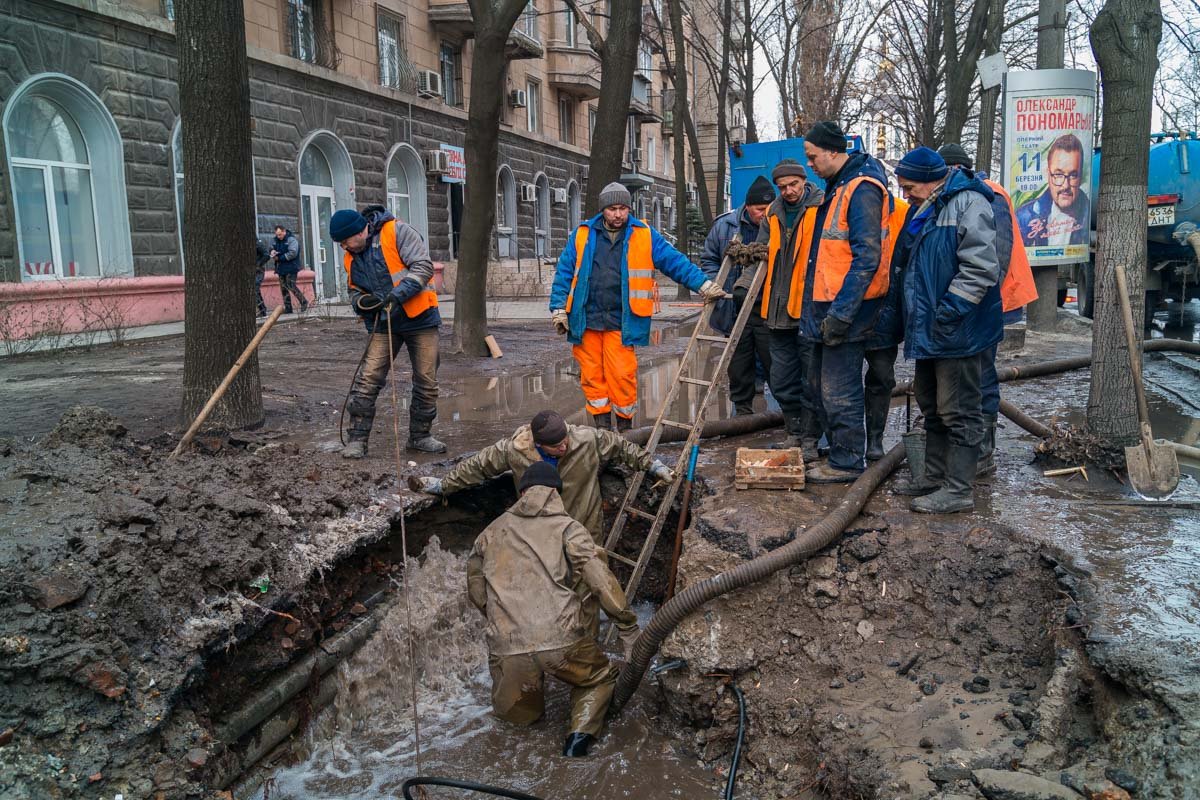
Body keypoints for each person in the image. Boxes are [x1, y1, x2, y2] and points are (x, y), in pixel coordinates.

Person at [412, 409, 673, 637]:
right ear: (538, 444)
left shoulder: (585, 440)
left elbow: (622, 447)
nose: (564, 447)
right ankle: (550, 644)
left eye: (565, 441)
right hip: (540, 536)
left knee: (589, 589)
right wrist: (443, 486)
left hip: (583, 528)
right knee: (546, 588)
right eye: (556, 446)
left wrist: (653, 466)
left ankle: (586, 643)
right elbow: (479, 466)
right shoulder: (515, 450)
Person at [467, 461, 639, 757]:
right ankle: (577, 741)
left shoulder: (489, 533)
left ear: (522, 493)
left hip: (507, 646)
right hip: (562, 640)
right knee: (598, 678)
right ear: (556, 493)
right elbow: (599, 580)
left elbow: (477, 591)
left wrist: (507, 621)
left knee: (518, 725)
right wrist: (627, 625)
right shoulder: (568, 528)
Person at [550, 182, 727, 431]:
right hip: (585, 318)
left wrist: (704, 285)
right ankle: (601, 430)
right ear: (603, 210)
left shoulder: (643, 234)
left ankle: (624, 431)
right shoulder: (583, 234)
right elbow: (565, 272)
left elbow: (674, 261)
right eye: (613, 209)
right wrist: (558, 308)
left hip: (622, 320)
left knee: (622, 375)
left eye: (623, 208)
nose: (619, 214)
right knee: (592, 377)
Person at [893, 147, 1002, 514]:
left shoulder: (968, 202)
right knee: (932, 405)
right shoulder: (926, 207)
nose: (905, 194)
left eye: (909, 186)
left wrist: (950, 311)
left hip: (958, 328)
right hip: (931, 328)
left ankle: (958, 490)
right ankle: (933, 477)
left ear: (928, 179)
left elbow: (981, 267)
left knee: (959, 409)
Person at [798, 121, 897, 483]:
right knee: (820, 384)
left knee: (839, 387)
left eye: (812, 157)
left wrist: (841, 313)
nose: (810, 164)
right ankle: (841, 451)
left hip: (846, 310)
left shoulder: (862, 189)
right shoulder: (839, 186)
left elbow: (867, 257)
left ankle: (846, 461)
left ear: (833, 152)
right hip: (828, 307)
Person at [938, 143, 1038, 475]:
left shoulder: (989, 194)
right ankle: (972, 447)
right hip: (984, 298)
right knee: (972, 373)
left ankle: (982, 453)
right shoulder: (971, 193)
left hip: (993, 299)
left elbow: (996, 252)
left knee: (980, 373)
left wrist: (973, 301)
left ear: (953, 169)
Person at [332, 205, 446, 458]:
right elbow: (354, 289)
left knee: (426, 381)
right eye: (340, 243)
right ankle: (357, 439)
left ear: (361, 231)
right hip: (383, 323)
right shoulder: (351, 254)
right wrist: (360, 303)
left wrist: (398, 295)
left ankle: (420, 436)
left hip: (420, 319)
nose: (344, 247)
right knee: (367, 379)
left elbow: (423, 267)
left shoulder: (397, 232)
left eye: (345, 241)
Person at [731, 162, 826, 450]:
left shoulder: (821, 206)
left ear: (803, 180)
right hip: (778, 311)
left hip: (810, 310)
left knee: (812, 381)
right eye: (783, 187)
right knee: (782, 380)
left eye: (793, 184)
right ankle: (793, 433)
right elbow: (761, 255)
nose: (789, 191)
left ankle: (811, 439)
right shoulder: (773, 213)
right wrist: (743, 286)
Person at [701, 176, 776, 415]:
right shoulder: (725, 227)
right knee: (738, 363)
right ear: (748, 206)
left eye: (768, 209)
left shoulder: (779, 224)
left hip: (766, 308)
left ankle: (784, 415)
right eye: (759, 209)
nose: (764, 214)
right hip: (734, 307)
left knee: (774, 362)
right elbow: (709, 259)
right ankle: (742, 413)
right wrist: (717, 287)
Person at [1014, 133, 1090, 248]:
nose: (1065, 185)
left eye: (1073, 175)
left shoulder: (1088, 213)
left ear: (1080, 177)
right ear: (1048, 174)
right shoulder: (1024, 217)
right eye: (1058, 175)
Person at [270, 225, 308, 313]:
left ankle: (304, 302)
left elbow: (293, 253)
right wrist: (271, 251)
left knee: (290, 285)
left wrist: (280, 258)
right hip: (281, 267)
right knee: (283, 287)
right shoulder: (275, 240)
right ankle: (288, 308)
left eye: (280, 234)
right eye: (277, 235)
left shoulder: (291, 240)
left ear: (284, 231)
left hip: (291, 267)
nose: (278, 237)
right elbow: (271, 247)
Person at [254, 237, 271, 318]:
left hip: (258, 271)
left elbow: (267, 255)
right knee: (255, 290)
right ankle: (262, 310)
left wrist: (258, 264)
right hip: (255, 270)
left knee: (255, 289)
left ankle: (262, 310)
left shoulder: (258, 244)